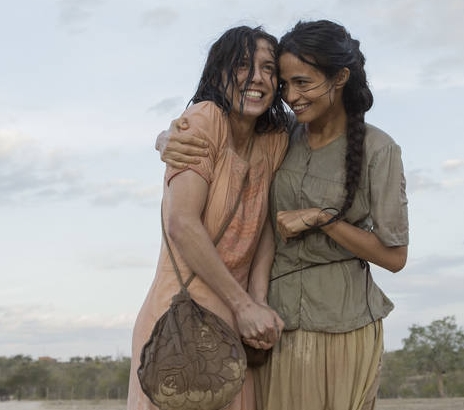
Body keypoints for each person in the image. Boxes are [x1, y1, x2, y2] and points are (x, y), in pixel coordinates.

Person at [159, 20, 409, 410]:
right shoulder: (281, 136)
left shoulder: (379, 149)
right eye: (287, 83)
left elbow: (395, 257)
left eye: (303, 83)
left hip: (344, 324)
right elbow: (217, 133)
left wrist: (321, 218)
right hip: (270, 326)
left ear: (340, 77)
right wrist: (168, 137)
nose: (291, 95)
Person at [127, 26, 290, 410]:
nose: (258, 79)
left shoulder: (274, 139)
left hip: (236, 323)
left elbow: (264, 225)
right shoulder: (204, 119)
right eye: (244, 65)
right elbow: (181, 223)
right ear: (219, 72)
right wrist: (244, 305)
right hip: (181, 318)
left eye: (269, 69)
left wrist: (258, 300)